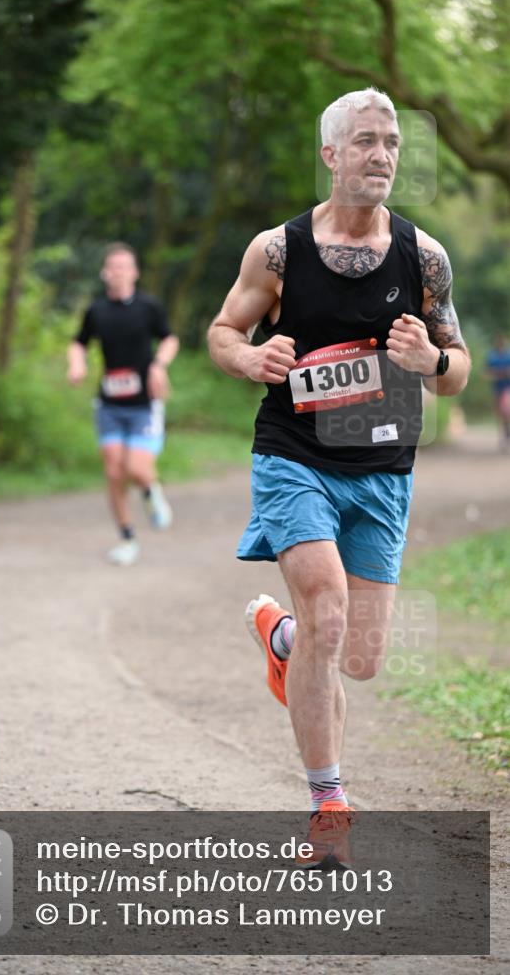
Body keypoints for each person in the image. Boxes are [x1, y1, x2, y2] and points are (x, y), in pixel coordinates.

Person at [208, 88, 470, 867]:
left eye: (390, 142)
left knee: (357, 657)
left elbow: (454, 372)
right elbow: (223, 332)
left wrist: (430, 362)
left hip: (382, 469)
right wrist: (251, 358)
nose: (382, 154)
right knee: (326, 613)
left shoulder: (423, 257)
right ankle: (329, 805)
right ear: (330, 155)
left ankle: (280, 638)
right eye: (364, 141)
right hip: (293, 455)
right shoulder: (277, 250)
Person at [68, 243, 179, 565]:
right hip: (110, 407)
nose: (118, 272)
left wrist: (158, 365)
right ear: (105, 273)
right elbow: (78, 343)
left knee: (136, 468)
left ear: (134, 272)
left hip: (145, 404)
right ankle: (127, 538)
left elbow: (170, 338)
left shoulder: (148, 307)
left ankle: (150, 491)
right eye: (112, 266)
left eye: (124, 266)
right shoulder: (97, 311)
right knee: (114, 472)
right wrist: (77, 364)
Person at [486, 333, 510, 451]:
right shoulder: (493, 356)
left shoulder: (508, 355)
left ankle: (506, 434)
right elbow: (487, 373)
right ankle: (504, 434)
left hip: (507, 389)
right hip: (497, 389)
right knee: (500, 414)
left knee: (506, 413)